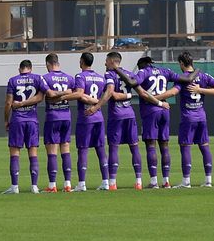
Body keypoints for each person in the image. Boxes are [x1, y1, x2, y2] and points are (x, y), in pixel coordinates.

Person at [98, 51, 146, 190]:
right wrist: (129, 95)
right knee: (134, 147)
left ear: (112, 61)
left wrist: (97, 107)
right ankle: (139, 181)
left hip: (116, 115)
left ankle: (112, 182)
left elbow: (111, 93)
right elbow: (140, 91)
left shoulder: (109, 74)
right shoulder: (129, 74)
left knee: (114, 147)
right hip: (130, 114)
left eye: (106, 61)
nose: (105, 64)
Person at [172, 51, 214, 188]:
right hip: (201, 117)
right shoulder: (203, 76)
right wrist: (201, 90)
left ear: (181, 63)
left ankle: (186, 181)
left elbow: (174, 92)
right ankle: (208, 180)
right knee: (204, 147)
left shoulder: (182, 78)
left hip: (188, 117)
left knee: (185, 147)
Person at [130, 55, 177, 188]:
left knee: (151, 145)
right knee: (164, 145)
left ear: (142, 65)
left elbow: (134, 82)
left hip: (151, 110)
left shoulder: (143, 71)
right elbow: (180, 79)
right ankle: (166, 180)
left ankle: (153, 181)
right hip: (165, 109)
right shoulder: (165, 71)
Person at [2, 59, 43, 194]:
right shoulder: (37, 78)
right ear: (30, 69)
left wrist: (6, 120)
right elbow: (40, 97)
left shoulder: (13, 80)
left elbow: (8, 103)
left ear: (20, 69)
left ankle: (15, 187)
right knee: (33, 152)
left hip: (17, 120)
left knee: (15, 153)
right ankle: (34, 186)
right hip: (32, 120)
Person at [38, 52, 76, 192]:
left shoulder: (45, 78)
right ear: (58, 63)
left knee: (52, 151)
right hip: (66, 115)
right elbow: (74, 92)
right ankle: (67, 184)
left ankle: (52, 185)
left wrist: (56, 95)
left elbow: (50, 95)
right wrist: (66, 92)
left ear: (48, 64)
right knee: (65, 148)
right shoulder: (69, 78)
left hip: (53, 116)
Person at [70, 52, 107, 191]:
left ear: (81, 61)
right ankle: (105, 182)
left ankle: (81, 184)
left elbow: (80, 95)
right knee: (101, 149)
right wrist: (98, 102)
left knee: (83, 149)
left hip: (86, 116)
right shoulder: (100, 77)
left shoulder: (80, 76)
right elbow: (102, 95)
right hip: (98, 116)